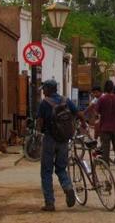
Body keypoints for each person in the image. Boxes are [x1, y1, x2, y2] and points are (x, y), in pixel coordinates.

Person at [36, 79, 86, 212]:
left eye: (44, 89)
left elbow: (40, 122)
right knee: (61, 168)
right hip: (64, 140)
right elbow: (78, 113)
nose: (43, 91)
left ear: (48, 89)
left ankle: (49, 203)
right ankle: (68, 187)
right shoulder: (66, 101)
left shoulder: (44, 103)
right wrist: (83, 124)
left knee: (46, 171)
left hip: (49, 139)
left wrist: (39, 131)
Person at [96, 80, 115, 169]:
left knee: (105, 147)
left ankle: (106, 164)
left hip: (105, 126)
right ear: (113, 88)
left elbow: (97, 112)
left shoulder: (102, 99)